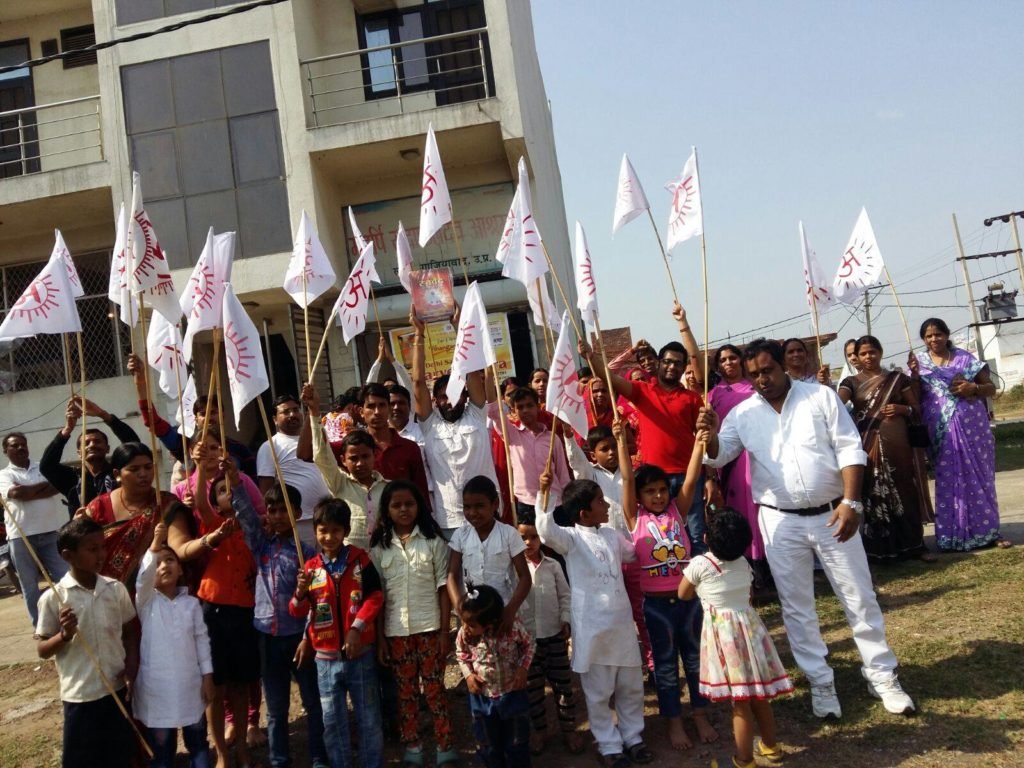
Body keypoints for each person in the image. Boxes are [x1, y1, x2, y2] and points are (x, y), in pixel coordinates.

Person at [700, 338, 915, 718]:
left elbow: (850, 449)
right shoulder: (744, 413)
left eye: (767, 370)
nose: (761, 380)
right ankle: (820, 682)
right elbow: (718, 454)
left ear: (784, 365)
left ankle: (882, 675)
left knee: (859, 597)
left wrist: (851, 502)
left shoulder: (820, 398)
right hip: (779, 520)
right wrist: (709, 432)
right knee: (797, 607)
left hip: (835, 515)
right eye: (754, 375)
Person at [535, 474, 652, 768]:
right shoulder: (571, 540)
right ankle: (608, 744)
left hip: (622, 627)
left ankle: (633, 738)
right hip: (593, 630)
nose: (607, 505)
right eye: (601, 501)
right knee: (599, 692)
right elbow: (545, 530)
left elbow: (635, 550)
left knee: (630, 686)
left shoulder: (612, 536)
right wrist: (544, 493)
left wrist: (650, 525)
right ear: (584, 513)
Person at [620, 426, 717, 750]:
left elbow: (690, 479)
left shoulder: (678, 509)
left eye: (662, 490)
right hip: (656, 608)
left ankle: (699, 713)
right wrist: (622, 442)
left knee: (694, 660)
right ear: (639, 497)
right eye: (651, 491)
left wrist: (699, 442)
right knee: (664, 665)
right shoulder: (635, 518)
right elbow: (627, 480)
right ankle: (674, 721)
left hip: (689, 604)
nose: (659, 495)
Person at [677, 509, 792, 768]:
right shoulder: (743, 562)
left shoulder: (700, 565)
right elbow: (747, 595)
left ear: (706, 538)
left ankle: (744, 760)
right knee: (758, 696)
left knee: (740, 703)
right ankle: (771, 747)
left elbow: (683, 593)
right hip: (751, 631)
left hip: (725, 636)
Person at [584, 330, 708, 553]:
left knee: (694, 536)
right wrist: (590, 357)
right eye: (668, 361)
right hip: (653, 479)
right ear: (659, 363)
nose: (672, 367)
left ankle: (695, 585)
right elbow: (609, 378)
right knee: (656, 535)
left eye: (678, 364)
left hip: (688, 477)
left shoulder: (692, 398)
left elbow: (703, 438)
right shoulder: (642, 391)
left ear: (683, 368)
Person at [236, 481, 327, 768]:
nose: (277, 516)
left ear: (298, 513)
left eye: (283, 510)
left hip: (299, 637)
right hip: (267, 635)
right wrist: (235, 481)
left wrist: (308, 637)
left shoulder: (309, 554)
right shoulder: (261, 545)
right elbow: (246, 517)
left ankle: (319, 757)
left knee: (313, 703)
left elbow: (318, 601)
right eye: (272, 510)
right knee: (276, 708)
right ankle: (279, 761)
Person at [36, 517, 138, 768]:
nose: (101, 554)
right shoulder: (54, 597)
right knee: (82, 760)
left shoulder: (115, 589)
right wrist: (64, 635)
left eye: (102, 546)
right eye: (92, 549)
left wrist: (132, 668)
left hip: (115, 688)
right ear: (67, 555)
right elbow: (42, 650)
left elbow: (129, 633)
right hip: (80, 697)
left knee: (119, 756)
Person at [290, 498, 384, 768]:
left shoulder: (359, 560)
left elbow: (375, 597)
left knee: (368, 718)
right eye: (322, 530)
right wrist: (299, 592)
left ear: (345, 531)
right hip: (325, 659)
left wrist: (357, 628)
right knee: (332, 722)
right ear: (316, 531)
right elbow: (297, 610)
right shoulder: (309, 569)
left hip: (360, 654)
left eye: (335, 530)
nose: (328, 537)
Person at [370, 481, 457, 768]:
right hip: (396, 633)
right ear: (387, 510)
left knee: (434, 691)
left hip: (431, 628)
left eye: (409, 504)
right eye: (396, 505)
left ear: (419, 506)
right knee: (405, 693)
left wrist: (446, 632)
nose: (404, 510)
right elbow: (378, 597)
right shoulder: (380, 549)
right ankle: (413, 748)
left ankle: (445, 747)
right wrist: (381, 639)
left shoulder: (434, 543)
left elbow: (444, 590)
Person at [909, 318, 1009, 551]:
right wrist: (913, 376)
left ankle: (989, 532)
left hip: (973, 428)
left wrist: (973, 388)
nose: (934, 339)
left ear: (946, 335)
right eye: (929, 336)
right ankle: (950, 537)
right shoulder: (919, 363)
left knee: (981, 478)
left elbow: (991, 388)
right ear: (924, 340)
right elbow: (913, 396)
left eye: (938, 334)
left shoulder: (965, 358)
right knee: (948, 480)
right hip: (941, 430)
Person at [563, 424, 653, 673]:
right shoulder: (590, 476)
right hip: (603, 558)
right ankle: (612, 664)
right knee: (609, 613)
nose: (611, 452)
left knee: (640, 611)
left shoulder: (630, 475)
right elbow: (577, 464)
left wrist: (621, 439)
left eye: (614, 447)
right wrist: (569, 437)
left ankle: (651, 662)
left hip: (631, 553)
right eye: (605, 449)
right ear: (593, 454)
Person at [838, 335, 935, 561]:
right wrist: (823, 386)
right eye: (863, 353)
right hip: (868, 442)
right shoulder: (851, 382)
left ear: (880, 352)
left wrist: (903, 409)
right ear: (856, 357)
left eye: (872, 351)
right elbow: (834, 404)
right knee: (873, 489)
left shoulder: (898, 379)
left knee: (904, 488)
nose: (868, 357)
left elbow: (916, 408)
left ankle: (914, 546)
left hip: (898, 444)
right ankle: (881, 549)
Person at [193, 453, 261, 768]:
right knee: (215, 687)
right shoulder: (213, 524)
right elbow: (199, 502)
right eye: (221, 491)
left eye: (232, 489)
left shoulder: (252, 529)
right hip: (213, 611)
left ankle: (244, 750)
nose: (228, 495)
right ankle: (221, 753)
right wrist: (197, 467)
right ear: (215, 503)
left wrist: (234, 479)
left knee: (239, 683)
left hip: (245, 611)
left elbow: (245, 504)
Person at [409, 309, 499, 536]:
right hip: (450, 520)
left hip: (489, 514)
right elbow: (418, 382)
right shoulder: (430, 426)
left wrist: (461, 330)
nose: (450, 401)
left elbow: (471, 371)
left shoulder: (477, 414)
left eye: (456, 394)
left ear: (466, 396)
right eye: (443, 397)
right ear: (435, 400)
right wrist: (418, 335)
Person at [133, 521, 215, 768]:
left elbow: (202, 641)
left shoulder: (190, 604)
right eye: (157, 564)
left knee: (199, 744)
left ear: (180, 569)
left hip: (190, 686)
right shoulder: (146, 603)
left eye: (169, 560)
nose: (163, 566)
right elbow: (142, 582)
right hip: (157, 690)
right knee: (163, 752)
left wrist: (207, 676)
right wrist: (154, 547)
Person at [126, 353, 257, 479]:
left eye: (213, 413)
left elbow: (254, 486)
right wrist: (141, 381)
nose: (208, 418)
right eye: (202, 414)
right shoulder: (184, 445)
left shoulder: (240, 450)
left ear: (223, 415)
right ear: (195, 419)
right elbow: (153, 422)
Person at [516, 512, 582, 756]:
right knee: (532, 690)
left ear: (541, 539)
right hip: (526, 640)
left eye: (533, 537)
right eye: (523, 537)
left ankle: (569, 729)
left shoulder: (553, 566)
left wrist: (566, 620)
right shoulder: (512, 569)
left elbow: (565, 596)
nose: (528, 542)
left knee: (563, 686)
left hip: (554, 634)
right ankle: (539, 731)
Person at [455, 584, 535, 768]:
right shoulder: (465, 634)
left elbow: (529, 645)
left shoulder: (512, 628)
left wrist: (523, 669)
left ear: (489, 623)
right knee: (487, 746)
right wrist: (468, 676)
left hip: (513, 695)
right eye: (463, 621)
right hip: (482, 699)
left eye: (472, 625)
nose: (465, 627)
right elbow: (461, 653)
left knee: (517, 744)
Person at [304, 384, 388, 551]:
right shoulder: (339, 483)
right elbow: (321, 456)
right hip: (352, 567)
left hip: (386, 563)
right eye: (353, 458)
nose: (360, 463)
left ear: (375, 456)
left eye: (365, 457)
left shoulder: (388, 489)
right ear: (343, 460)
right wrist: (314, 412)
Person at [83, 442, 178, 587]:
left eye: (148, 467)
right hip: (107, 592)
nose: (143, 474)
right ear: (117, 474)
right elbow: (82, 552)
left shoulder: (167, 504)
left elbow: (180, 546)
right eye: (134, 469)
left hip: (155, 592)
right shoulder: (98, 507)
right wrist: (78, 528)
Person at [708, 345, 767, 575]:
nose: (728, 362)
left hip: (757, 455)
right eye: (723, 360)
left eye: (733, 357)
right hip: (729, 460)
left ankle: (766, 562)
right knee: (739, 512)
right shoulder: (713, 394)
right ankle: (746, 565)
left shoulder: (755, 388)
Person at [1, 431, 68, 625]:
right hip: (20, 536)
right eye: (15, 445)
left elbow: (57, 486)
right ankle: (40, 626)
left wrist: (28, 491)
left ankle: (72, 618)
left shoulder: (43, 467)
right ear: (6, 451)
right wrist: (42, 488)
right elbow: (15, 493)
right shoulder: (3, 475)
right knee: (30, 586)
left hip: (49, 532)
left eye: (23, 444)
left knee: (64, 579)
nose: (21, 447)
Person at [446, 475, 531, 628]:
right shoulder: (460, 535)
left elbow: (525, 577)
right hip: (471, 617)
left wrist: (510, 610)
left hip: (502, 614)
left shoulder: (509, 534)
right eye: (467, 507)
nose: (472, 512)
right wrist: (460, 610)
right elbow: (452, 575)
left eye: (479, 506)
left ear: (495, 504)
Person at [39, 395, 140, 511]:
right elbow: (46, 466)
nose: (92, 445)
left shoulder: (117, 471)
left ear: (107, 449)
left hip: (116, 528)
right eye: (86, 443)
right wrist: (67, 430)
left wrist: (102, 414)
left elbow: (134, 446)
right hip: (83, 529)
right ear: (79, 453)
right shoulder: (73, 478)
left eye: (97, 441)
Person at [487, 385, 571, 519]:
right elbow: (493, 412)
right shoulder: (512, 434)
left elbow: (563, 474)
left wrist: (567, 502)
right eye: (520, 407)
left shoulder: (552, 437)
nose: (525, 410)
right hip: (527, 503)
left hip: (555, 502)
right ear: (513, 411)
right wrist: (489, 375)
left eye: (529, 405)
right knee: (531, 540)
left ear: (538, 407)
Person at [257, 394, 331, 544]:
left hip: (326, 517)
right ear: (274, 419)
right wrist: (272, 519)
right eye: (285, 412)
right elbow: (266, 490)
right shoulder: (270, 446)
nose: (292, 414)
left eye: (295, 410)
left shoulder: (315, 437)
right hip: (298, 522)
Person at [358, 383, 431, 506]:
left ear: (388, 408)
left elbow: (421, 493)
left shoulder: (410, 448)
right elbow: (320, 453)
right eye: (371, 406)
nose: (377, 412)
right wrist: (314, 411)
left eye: (382, 405)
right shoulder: (354, 450)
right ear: (361, 411)